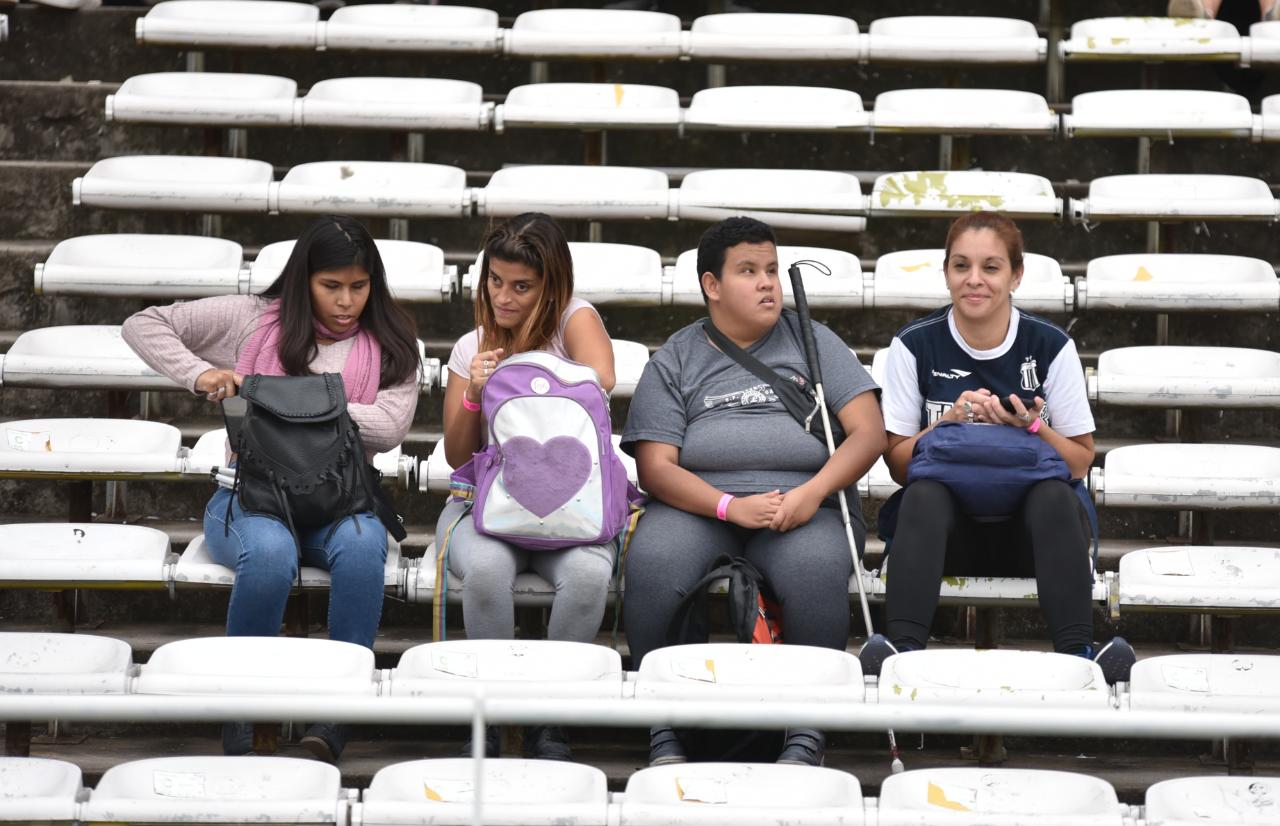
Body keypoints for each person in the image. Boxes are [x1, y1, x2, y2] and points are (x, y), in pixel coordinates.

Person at [122, 215, 420, 762]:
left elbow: (391, 425)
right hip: (249, 495)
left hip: (341, 499)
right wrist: (199, 374)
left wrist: (280, 403)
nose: (347, 301)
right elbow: (144, 324)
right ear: (304, 278)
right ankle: (242, 710)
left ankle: (335, 716)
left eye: (359, 286)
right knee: (269, 552)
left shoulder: (394, 341)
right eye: (331, 286)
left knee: (360, 550)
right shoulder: (253, 319)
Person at [621, 216, 886, 767]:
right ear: (711, 285)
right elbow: (655, 467)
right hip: (699, 504)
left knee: (815, 568)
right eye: (748, 271)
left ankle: (806, 730)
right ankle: (664, 726)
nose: (768, 283)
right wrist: (728, 507)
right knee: (654, 562)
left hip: (800, 501)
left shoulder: (812, 340)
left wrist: (814, 492)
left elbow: (869, 432)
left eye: (771, 270)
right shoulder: (677, 355)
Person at [861, 211, 1135, 684]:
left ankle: (1081, 656)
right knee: (925, 494)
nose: (974, 280)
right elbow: (901, 467)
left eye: (991, 267)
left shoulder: (1050, 346)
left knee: (1053, 496)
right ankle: (899, 653)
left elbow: (1078, 462)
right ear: (945, 272)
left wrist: (1031, 427)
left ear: (1016, 275)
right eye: (961, 266)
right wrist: (947, 422)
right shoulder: (914, 345)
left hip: (1029, 540)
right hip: (947, 539)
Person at [437, 212, 616, 761]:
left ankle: (549, 719)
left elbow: (601, 381)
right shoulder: (472, 346)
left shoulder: (573, 320)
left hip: (573, 509)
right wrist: (476, 391)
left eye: (522, 286)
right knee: (487, 571)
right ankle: (491, 714)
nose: (504, 298)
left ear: (552, 286)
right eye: (495, 281)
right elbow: (455, 453)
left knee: (589, 576)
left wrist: (521, 371)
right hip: (485, 507)